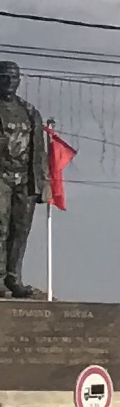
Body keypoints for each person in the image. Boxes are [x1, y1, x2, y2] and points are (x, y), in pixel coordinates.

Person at [0, 60, 53, 301]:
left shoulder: (30, 112)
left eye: (14, 78)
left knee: (20, 230)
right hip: (1, 176)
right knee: (0, 228)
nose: (10, 82)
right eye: (4, 77)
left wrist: (42, 183)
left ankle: (13, 277)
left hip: (25, 179)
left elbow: (39, 150)